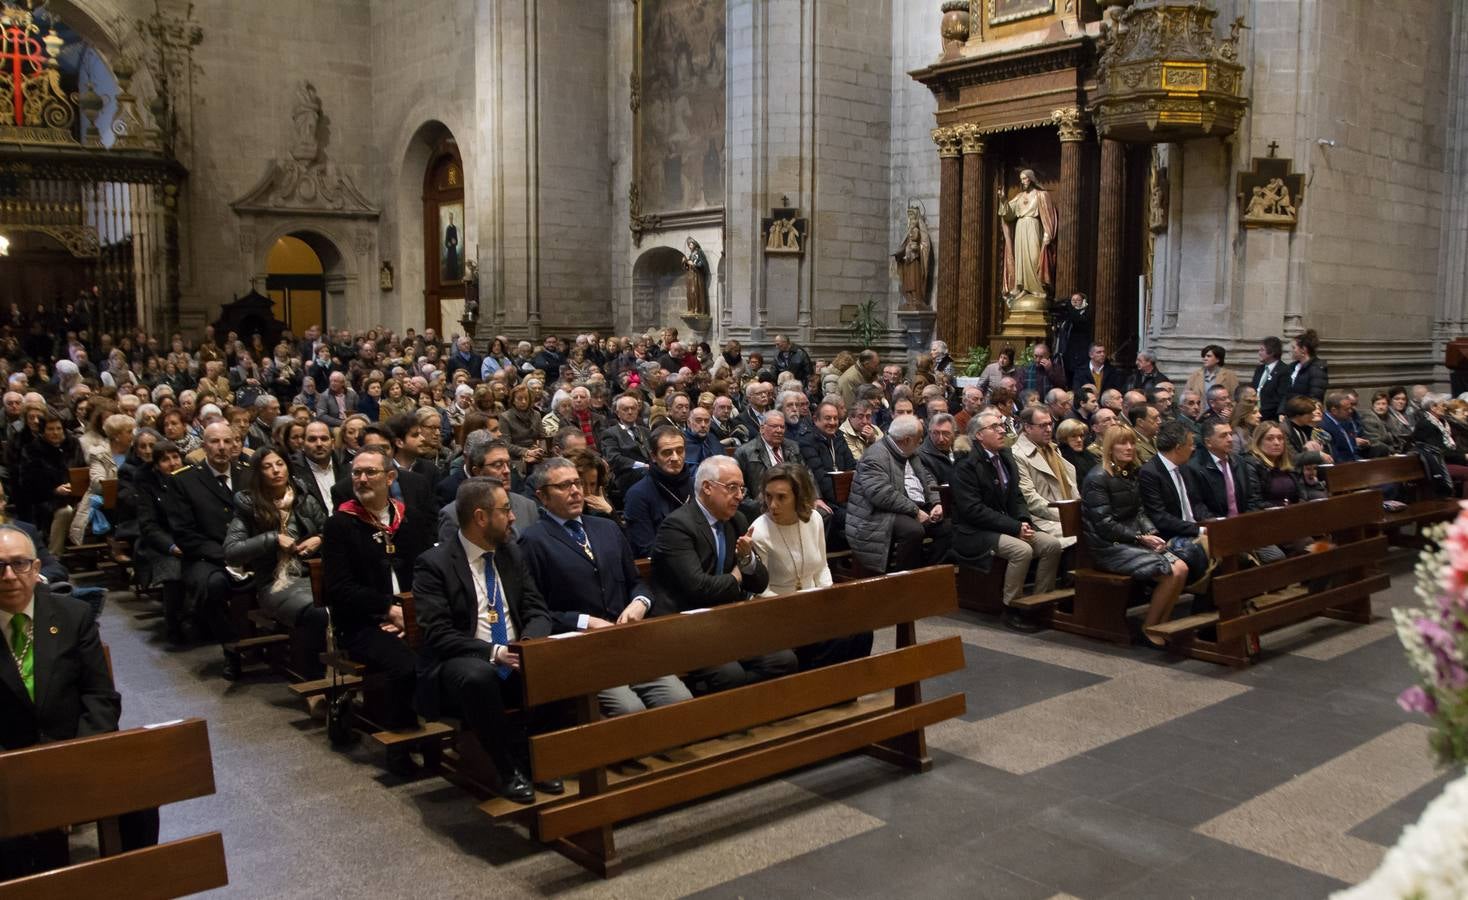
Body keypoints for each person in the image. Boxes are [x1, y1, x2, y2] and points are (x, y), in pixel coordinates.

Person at [0, 525, 158, 879]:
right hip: (8, 766)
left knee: (143, 794)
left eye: (19, 564)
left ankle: (137, 884)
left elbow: (100, 698)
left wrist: (70, 772)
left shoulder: (72, 616)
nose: (9, 576)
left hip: (73, 748)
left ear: (36, 567)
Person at [412, 477, 558, 801]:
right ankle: (508, 769)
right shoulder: (433, 564)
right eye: (506, 510)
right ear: (481, 517)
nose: (513, 517)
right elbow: (438, 633)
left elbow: (536, 608)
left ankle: (539, 759)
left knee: (556, 662)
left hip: (515, 653)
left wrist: (529, 644)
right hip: (464, 659)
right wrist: (494, 652)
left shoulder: (509, 553)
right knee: (479, 677)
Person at [519, 458, 692, 714]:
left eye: (577, 483)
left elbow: (636, 583)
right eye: (564, 486)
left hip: (625, 641)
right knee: (629, 708)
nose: (576, 491)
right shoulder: (533, 541)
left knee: (680, 699)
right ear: (542, 496)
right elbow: (536, 612)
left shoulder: (607, 528)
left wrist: (640, 602)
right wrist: (583, 621)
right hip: (579, 650)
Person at [321, 446, 435, 772]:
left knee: (454, 652)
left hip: (411, 615)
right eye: (356, 472)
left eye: (370, 472)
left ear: (390, 477)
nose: (361, 479)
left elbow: (427, 572)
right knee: (405, 665)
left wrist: (410, 615)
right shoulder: (341, 525)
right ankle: (401, 744)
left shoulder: (408, 518)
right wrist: (389, 610)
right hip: (361, 622)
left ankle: (451, 735)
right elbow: (339, 589)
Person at [649, 456, 796, 694]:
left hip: (726, 621)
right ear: (707, 487)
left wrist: (747, 561)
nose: (739, 495)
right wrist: (738, 576)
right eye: (732, 488)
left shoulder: (736, 520)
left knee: (783, 659)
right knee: (730, 674)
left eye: (741, 488)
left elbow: (760, 583)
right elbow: (699, 588)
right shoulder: (677, 526)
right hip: (686, 627)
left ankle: (750, 710)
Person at [750, 463, 871, 669]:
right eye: (768, 496)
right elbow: (762, 590)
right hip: (778, 611)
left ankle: (848, 691)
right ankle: (817, 690)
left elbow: (822, 566)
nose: (773, 505)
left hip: (814, 603)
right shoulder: (759, 531)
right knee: (833, 640)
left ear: (798, 496)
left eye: (781, 497)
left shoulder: (813, 519)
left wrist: (825, 598)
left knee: (862, 631)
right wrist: (802, 608)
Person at [1081, 427, 1195, 645]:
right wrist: (1140, 538)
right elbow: (1105, 525)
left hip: (1132, 540)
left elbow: (1140, 512)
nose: (1129, 448)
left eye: (1132, 443)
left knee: (1182, 568)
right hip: (1108, 546)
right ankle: (1149, 626)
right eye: (1122, 443)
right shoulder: (1097, 478)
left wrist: (1151, 533)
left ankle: (1162, 621)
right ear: (1109, 447)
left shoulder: (1130, 473)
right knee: (1171, 572)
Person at [953, 408, 1063, 632]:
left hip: (1007, 525)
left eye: (1002, 425)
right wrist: (1014, 527)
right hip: (974, 532)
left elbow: (1017, 497)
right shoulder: (966, 466)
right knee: (1021, 550)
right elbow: (973, 510)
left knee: (1051, 545)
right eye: (994, 427)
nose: (1002, 430)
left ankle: (1039, 603)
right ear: (978, 435)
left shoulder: (1006, 457)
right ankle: (1011, 608)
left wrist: (1023, 521)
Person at [223, 448, 328, 680]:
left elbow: (329, 530)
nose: (275, 470)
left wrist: (318, 539)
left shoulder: (303, 498)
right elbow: (232, 552)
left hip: (312, 573)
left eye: (279, 464)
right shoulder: (249, 507)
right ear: (258, 474)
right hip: (274, 582)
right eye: (267, 467)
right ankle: (315, 680)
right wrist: (273, 539)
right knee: (316, 612)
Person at [165, 421, 250, 669]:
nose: (222, 447)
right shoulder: (184, 481)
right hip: (207, 557)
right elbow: (185, 534)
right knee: (214, 586)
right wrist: (228, 556)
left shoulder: (247, 473)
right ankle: (231, 647)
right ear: (204, 446)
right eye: (215, 442)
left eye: (228, 441)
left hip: (250, 550)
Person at [845, 414, 948, 574]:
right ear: (907, 439)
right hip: (877, 514)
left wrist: (936, 503)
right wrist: (915, 511)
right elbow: (881, 494)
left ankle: (928, 573)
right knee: (913, 530)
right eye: (919, 438)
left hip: (909, 507)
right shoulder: (875, 456)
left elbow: (927, 478)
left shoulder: (910, 452)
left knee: (949, 527)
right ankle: (903, 580)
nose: (921, 441)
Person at [1009, 404, 1078, 548]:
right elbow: (1030, 498)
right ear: (1027, 427)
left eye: (1050, 424)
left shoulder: (1053, 448)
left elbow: (1071, 486)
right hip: (1041, 519)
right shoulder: (1017, 454)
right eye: (1042, 426)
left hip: (1066, 513)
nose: (1048, 429)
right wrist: (1065, 515)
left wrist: (1078, 511)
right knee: (1079, 536)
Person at [16, 412, 84, 556]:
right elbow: (28, 483)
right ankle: (54, 554)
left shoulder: (73, 444)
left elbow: (82, 470)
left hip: (76, 494)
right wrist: (54, 490)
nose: (55, 433)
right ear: (43, 431)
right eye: (50, 429)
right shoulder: (32, 450)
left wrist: (74, 485)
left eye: (58, 429)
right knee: (65, 511)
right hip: (45, 499)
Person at [623, 425, 693, 558]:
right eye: (667, 452)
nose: (675, 458)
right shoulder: (638, 495)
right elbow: (646, 548)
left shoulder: (695, 485)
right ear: (654, 456)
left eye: (680, 450)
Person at [734, 410, 800, 520]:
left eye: (782, 427)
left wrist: (816, 498)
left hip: (792, 500)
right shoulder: (744, 452)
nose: (779, 430)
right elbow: (739, 488)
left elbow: (806, 474)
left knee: (821, 513)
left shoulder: (793, 447)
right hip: (762, 504)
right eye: (774, 426)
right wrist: (758, 506)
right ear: (762, 428)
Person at [600, 393, 652, 497]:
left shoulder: (646, 431)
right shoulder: (610, 433)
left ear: (638, 411)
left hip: (650, 470)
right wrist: (643, 466)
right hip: (626, 474)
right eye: (625, 409)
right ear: (618, 413)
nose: (630, 412)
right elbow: (613, 458)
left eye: (633, 408)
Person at [1244, 421, 1305, 508]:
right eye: (1270, 439)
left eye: (1280, 438)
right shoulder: (1251, 465)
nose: (1277, 443)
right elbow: (1255, 503)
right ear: (1258, 442)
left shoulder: (1288, 465)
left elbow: (1301, 495)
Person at [1050, 292, 1093, 379]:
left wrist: (1069, 306)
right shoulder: (1068, 315)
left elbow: (1078, 320)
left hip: (1080, 355)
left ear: (1083, 302)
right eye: (1072, 300)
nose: (1075, 302)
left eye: (1078, 300)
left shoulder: (1086, 313)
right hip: (1067, 353)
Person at [1282, 329, 1328, 402]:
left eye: (1294, 348)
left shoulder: (1317, 369)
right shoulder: (1292, 367)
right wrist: (1281, 412)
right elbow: (1285, 393)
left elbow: (1315, 396)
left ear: (1303, 349)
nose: (1291, 350)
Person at [917, 412, 960, 487]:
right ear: (929, 433)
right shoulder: (921, 456)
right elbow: (932, 487)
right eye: (935, 433)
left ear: (954, 434)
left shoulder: (963, 451)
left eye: (946, 433)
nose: (941, 439)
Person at [1252, 337, 1289, 421]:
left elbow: (1281, 397)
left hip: (1271, 417)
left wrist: (1261, 411)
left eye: (1262, 350)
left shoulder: (1283, 371)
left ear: (1271, 352)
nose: (1259, 353)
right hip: (1255, 414)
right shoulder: (1259, 369)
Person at [682, 404, 721, 469]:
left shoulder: (713, 439)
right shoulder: (682, 441)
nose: (703, 425)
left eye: (707, 421)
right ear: (689, 423)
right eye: (698, 420)